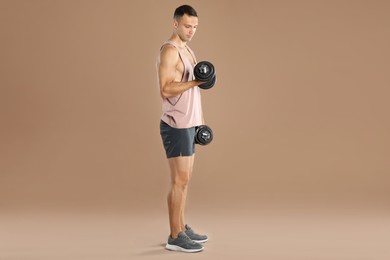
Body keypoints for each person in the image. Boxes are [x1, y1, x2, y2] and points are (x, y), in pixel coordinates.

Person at [156, 5, 209, 253]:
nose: (192, 31)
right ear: (175, 24)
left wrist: (199, 122)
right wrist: (197, 81)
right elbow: (166, 88)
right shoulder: (170, 51)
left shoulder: (187, 50)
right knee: (179, 181)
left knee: (184, 181)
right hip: (175, 124)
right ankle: (175, 235)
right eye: (188, 26)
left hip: (188, 124)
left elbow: (193, 89)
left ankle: (181, 227)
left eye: (195, 27)